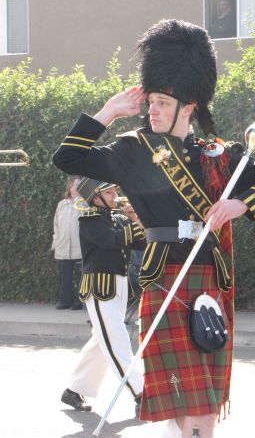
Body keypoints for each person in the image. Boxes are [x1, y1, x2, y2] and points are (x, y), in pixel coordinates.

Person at [54, 19, 255, 438]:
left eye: (162, 103)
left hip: (208, 280)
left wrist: (239, 203)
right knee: (184, 401)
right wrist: (109, 112)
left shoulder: (221, 155)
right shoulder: (132, 150)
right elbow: (68, 158)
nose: (151, 110)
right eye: (149, 101)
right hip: (163, 278)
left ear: (188, 106)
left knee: (201, 401)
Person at [61, 178, 145, 415]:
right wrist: (130, 223)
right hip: (99, 287)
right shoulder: (89, 219)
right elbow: (112, 240)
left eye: (115, 191)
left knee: (102, 340)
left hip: (119, 286)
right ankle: (140, 393)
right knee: (116, 340)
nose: (115, 196)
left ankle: (73, 389)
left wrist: (135, 218)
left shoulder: (117, 218)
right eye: (109, 192)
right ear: (96, 196)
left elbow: (141, 241)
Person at [52, 176, 82, 310]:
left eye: (79, 185)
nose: (76, 187)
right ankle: (65, 301)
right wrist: (56, 243)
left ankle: (79, 302)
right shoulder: (61, 204)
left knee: (81, 277)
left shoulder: (85, 204)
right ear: (69, 187)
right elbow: (56, 225)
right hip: (63, 246)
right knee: (65, 277)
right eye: (75, 185)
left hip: (79, 247)